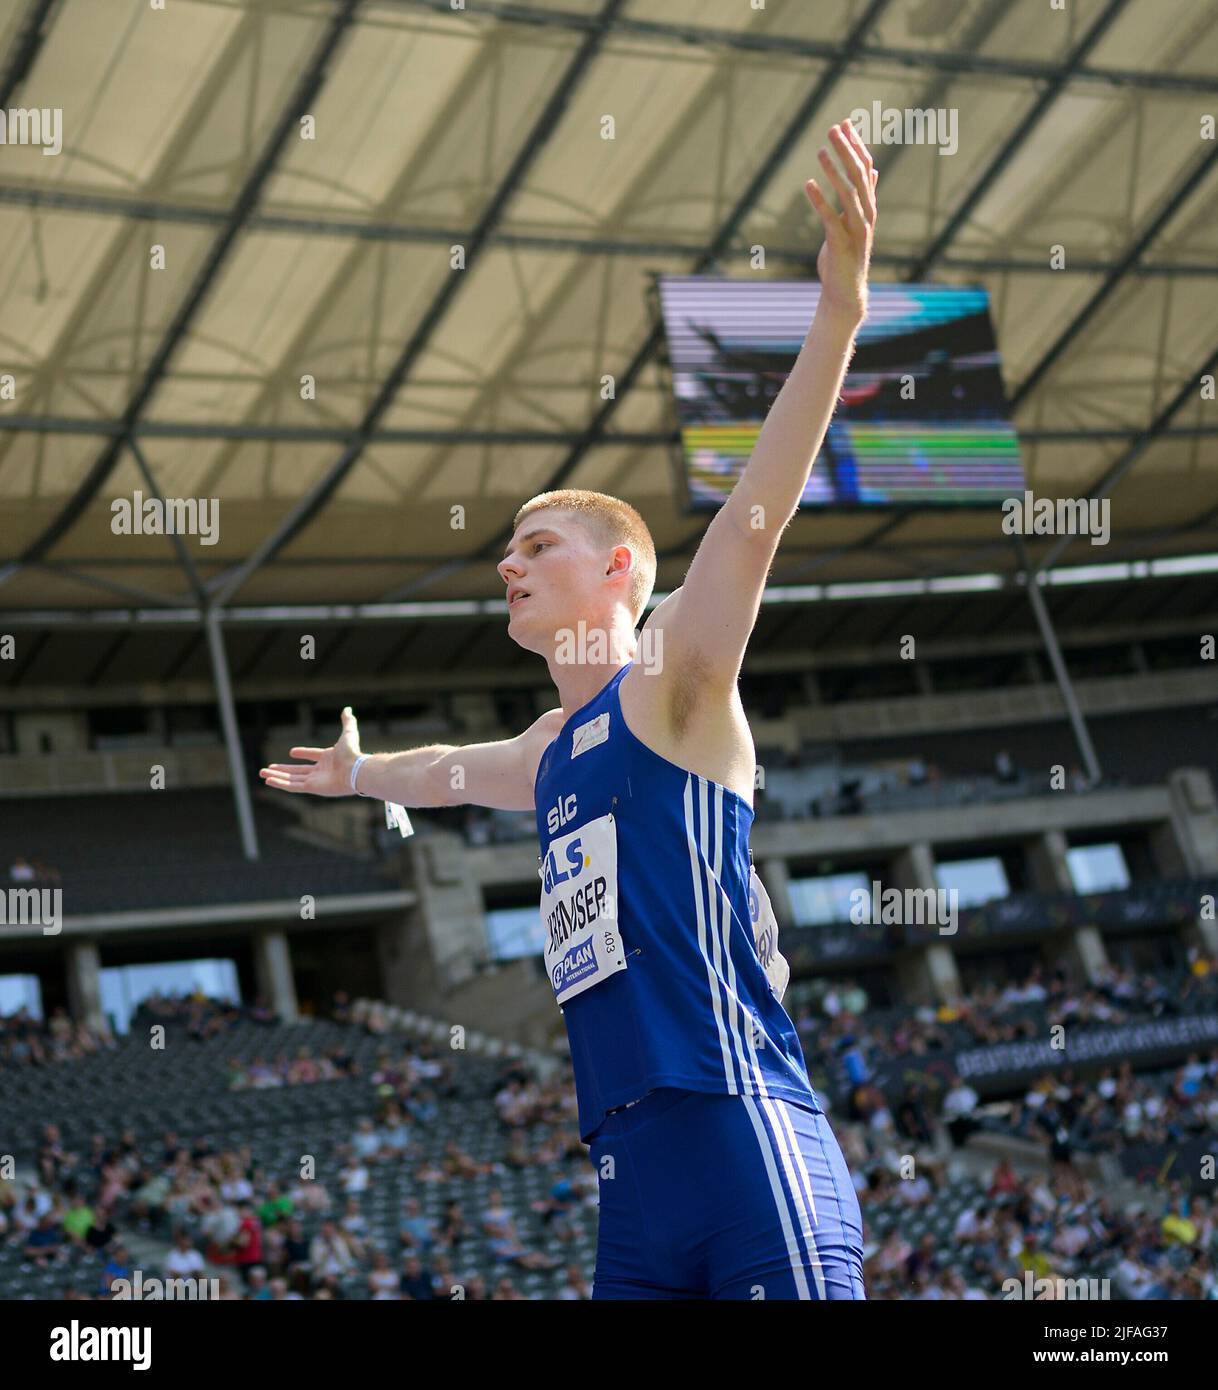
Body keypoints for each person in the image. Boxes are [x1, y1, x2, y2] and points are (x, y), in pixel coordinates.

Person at [261, 118, 878, 1300]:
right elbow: (450, 768)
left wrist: (839, 312)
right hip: (629, 1186)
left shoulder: (676, 681)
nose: (508, 565)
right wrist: (361, 775)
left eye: (536, 545)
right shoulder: (551, 750)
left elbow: (756, 514)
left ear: (621, 575)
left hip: (745, 1136)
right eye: (505, 551)